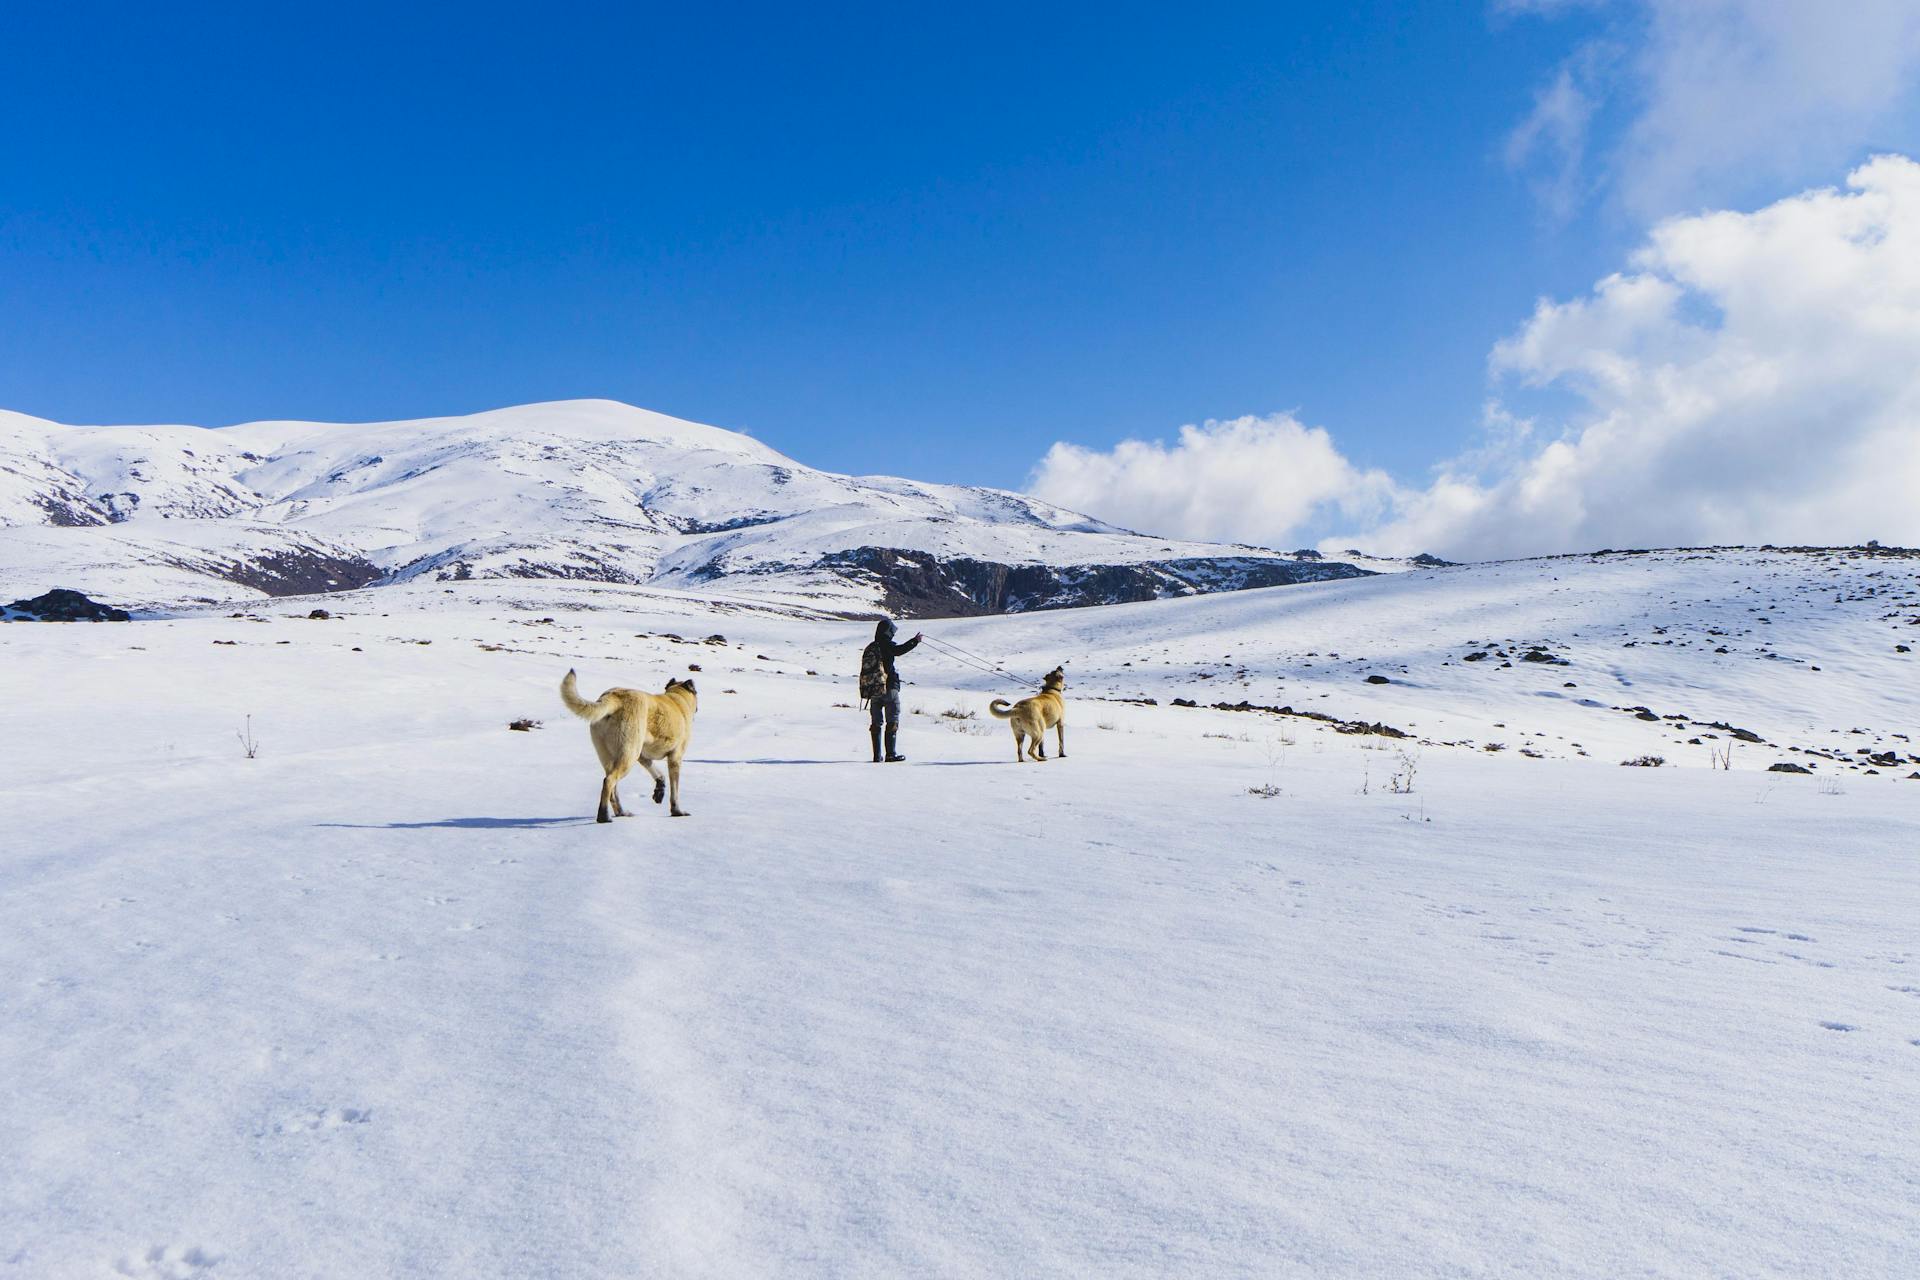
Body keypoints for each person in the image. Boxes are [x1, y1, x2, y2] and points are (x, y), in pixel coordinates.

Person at [860, 618, 922, 762]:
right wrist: (915, 641)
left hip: (874, 689)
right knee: (892, 719)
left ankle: (876, 755)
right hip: (889, 687)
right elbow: (899, 650)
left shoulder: (871, 647)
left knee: (876, 722)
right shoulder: (887, 644)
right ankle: (890, 754)